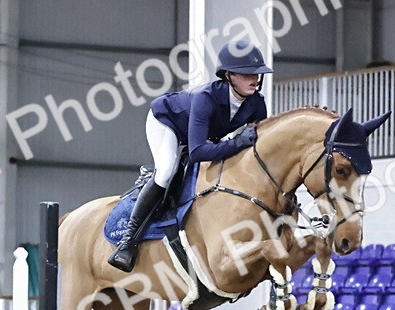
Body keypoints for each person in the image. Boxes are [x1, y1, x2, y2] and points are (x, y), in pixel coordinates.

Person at [107, 42, 273, 272]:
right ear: (230, 76)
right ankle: (128, 240)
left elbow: (256, 146)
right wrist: (235, 143)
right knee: (166, 171)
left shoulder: (257, 103)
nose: (254, 78)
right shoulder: (207, 97)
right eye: (246, 74)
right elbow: (196, 153)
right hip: (167, 122)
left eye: (256, 73)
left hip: (202, 135)